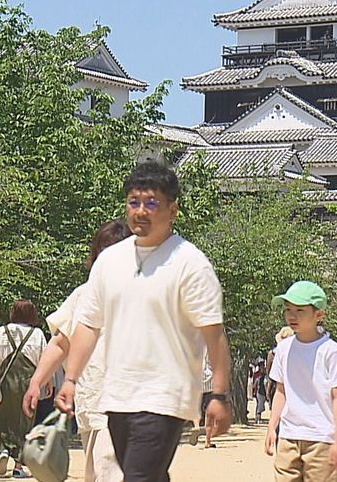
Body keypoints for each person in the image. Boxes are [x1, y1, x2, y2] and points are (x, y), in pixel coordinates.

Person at [57, 161, 232, 482]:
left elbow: (214, 335)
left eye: (152, 203)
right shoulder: (110, 261)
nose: (141, 211)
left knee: (137, 477)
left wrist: (219, 395)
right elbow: (88, 325)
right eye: (134, 202)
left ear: (172, 210)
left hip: (165, 396)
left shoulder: (190, 264)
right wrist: (70, 379)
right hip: (117, 396)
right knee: (147, 476)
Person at [22, 219, 132, 482]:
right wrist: (36, 381)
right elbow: (61, 342)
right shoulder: (85, 296)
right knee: (97, 473)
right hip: (92, 404)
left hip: (129, 404)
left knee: (112, 473)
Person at [264, 281, 337, 481]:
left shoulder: (331, 350)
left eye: (300, 310)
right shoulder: (284, 349)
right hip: (288, 436)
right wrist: (271, 428)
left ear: (319, 315)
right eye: (287, 310)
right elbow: (281, 391)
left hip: (321, 439)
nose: (291, 316)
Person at [0, 300, 47, 478]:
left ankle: (4, 451)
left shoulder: (2, 332)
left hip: (6, 382)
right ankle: (18, 466)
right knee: (25, 422)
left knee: (5, 418)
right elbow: (44, 362)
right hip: (29, 384)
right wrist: (48, 384)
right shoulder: (37, 334)